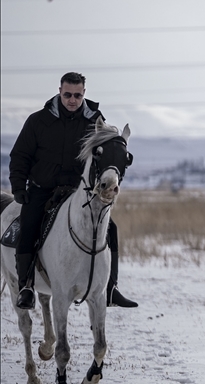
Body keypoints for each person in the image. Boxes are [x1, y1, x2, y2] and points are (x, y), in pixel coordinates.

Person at [9, 72, 137, 310]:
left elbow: (107, 152)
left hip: (79, 191)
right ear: (59, 91)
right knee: (28, 224)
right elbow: (20, 157)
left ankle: (111, 288)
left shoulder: (95, 121)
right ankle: (26, 286)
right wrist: (18, 188)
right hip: (43, 189)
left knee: (111, 227)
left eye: (77, 95)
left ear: (84, 94)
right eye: (67, 94)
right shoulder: (38, 121)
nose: (72, 100)